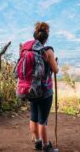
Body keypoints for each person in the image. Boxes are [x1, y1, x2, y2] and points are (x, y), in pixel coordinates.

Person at [25, 22, 59, 152]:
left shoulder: (29, 49)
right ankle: (46, 146)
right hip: (45, 91)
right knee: (43, 120)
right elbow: (55, 70)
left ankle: (38, 141)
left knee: (33, 116)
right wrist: (54, 63)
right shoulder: (48, 51)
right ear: (46, 38)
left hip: (31, 89)